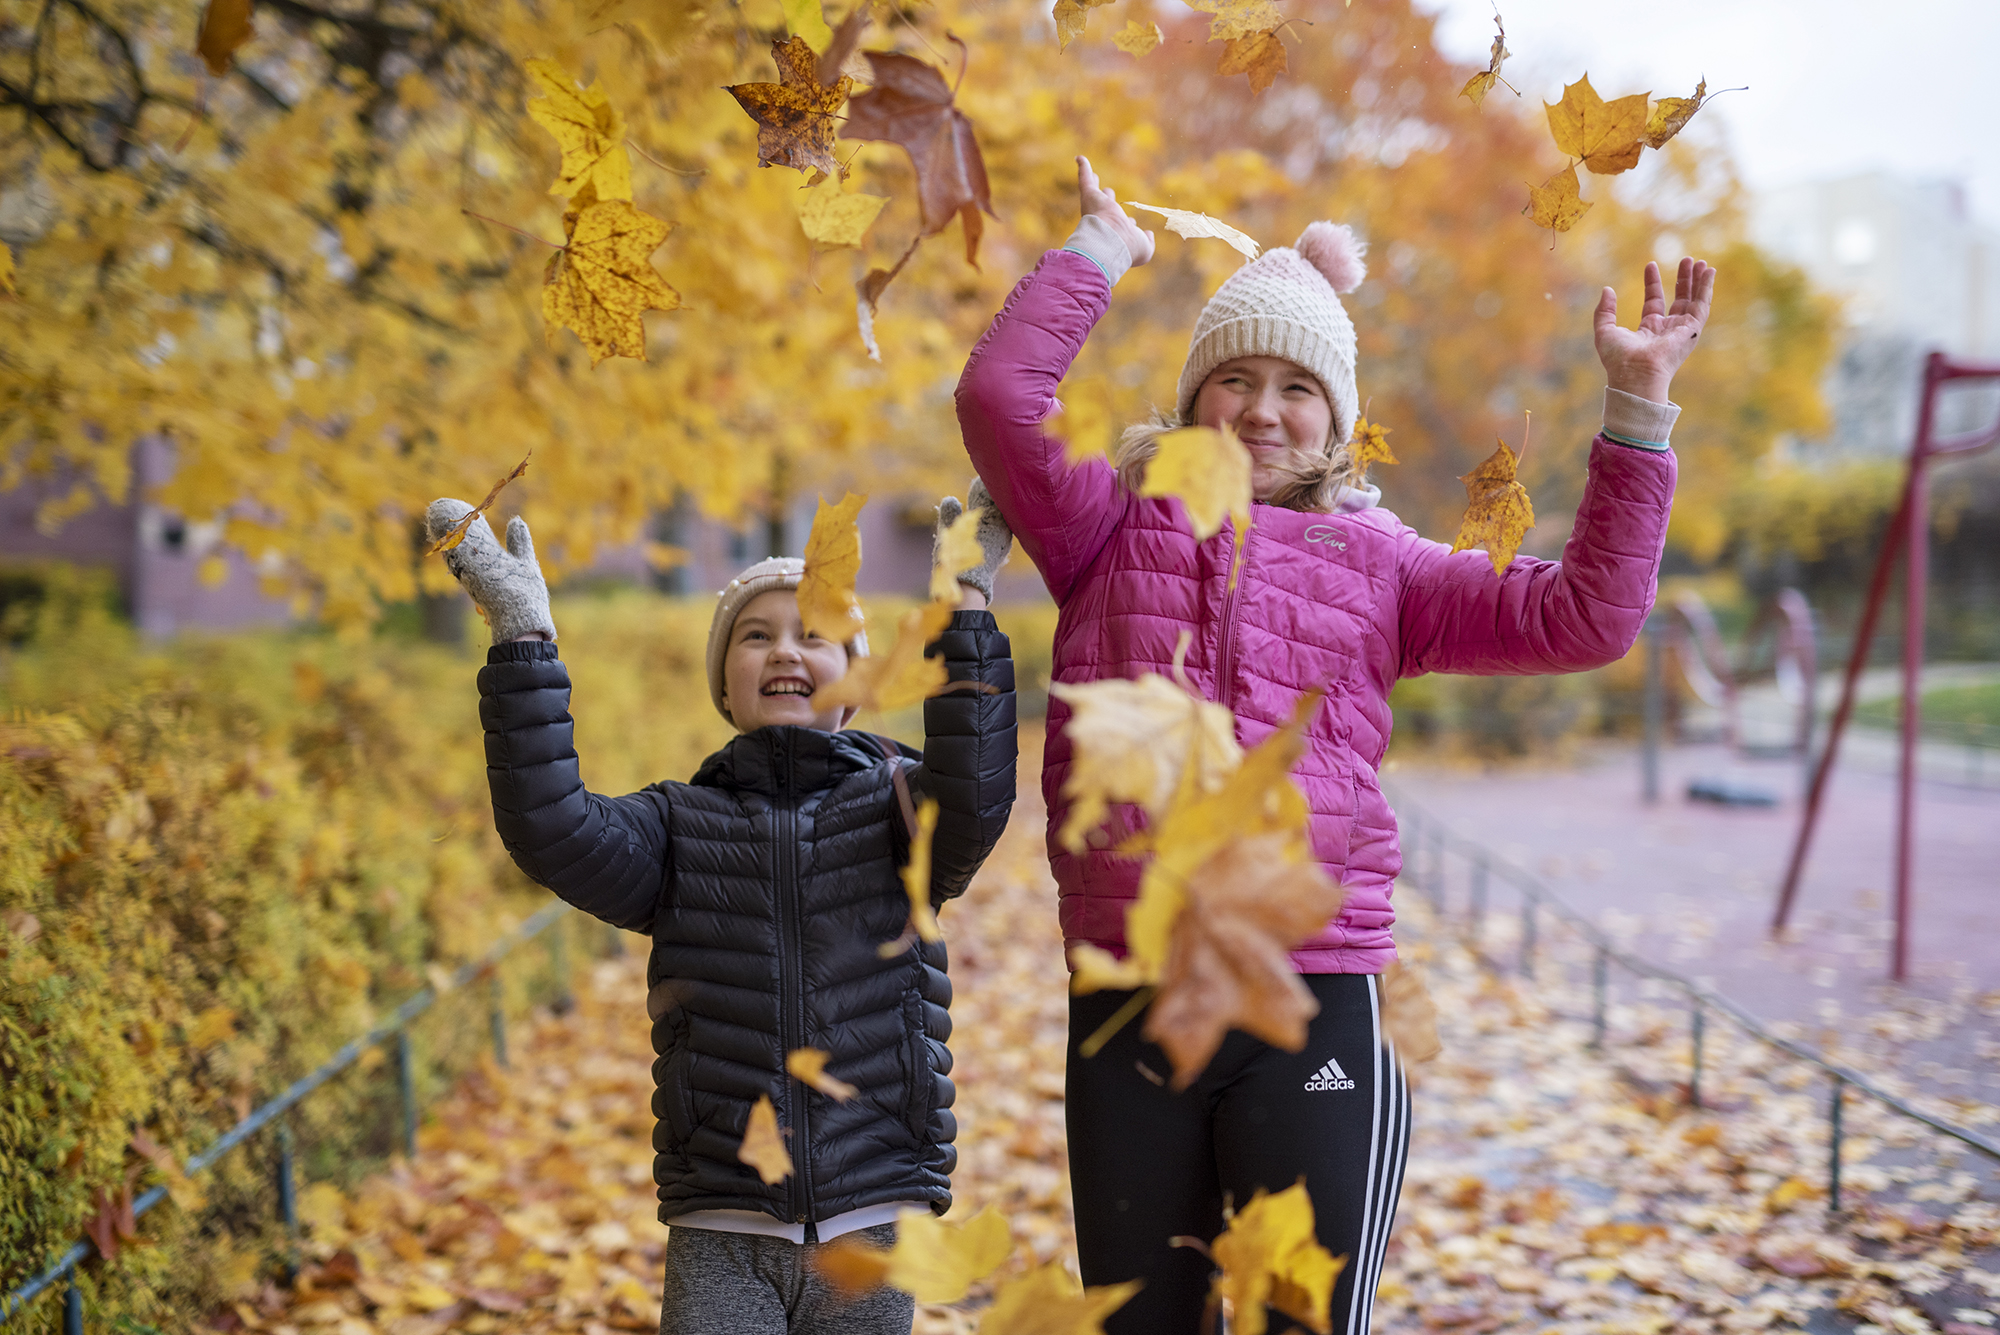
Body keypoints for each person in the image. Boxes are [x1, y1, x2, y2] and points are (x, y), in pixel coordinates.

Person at [955, 156, 1714, 1334]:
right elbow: (1000, 400)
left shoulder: (1389, 569)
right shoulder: (1103, 529)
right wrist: (1097, 253)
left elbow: (1585, 616)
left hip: (1308, 997)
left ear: (1336, 418)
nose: (1261, 410)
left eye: (1295, 387)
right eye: (1235, 379)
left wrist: (1635, 415)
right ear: (1194, 394)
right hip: (1126, 1001)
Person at [425, 494, 1017, 1335]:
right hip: (722, 1223)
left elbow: (978, 783)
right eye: (756, 634)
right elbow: (550, 825)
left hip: (872, 1215)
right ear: (724, 687)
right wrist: (522, 642)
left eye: (813, 633)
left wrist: (965, 604)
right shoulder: (676, 825)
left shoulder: (901, 809)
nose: (785, 649)